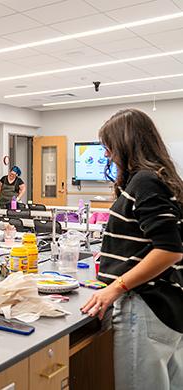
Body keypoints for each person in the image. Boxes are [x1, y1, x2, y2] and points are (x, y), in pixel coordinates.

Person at [80, 109, 183, 390]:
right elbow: (150, 240)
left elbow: (169, 250)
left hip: (145, 304)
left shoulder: (146, 181)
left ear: (126, 144)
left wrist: (116, 287)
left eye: (109, 147)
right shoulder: (159, 179)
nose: (107, 155)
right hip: (164, 305)